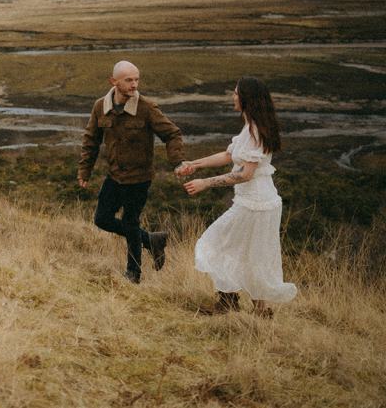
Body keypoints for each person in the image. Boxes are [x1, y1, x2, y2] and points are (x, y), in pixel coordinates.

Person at [178, 76, 297, 317]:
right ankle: (259, 312)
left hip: (256, 203)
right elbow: (228, 155)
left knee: (214, 244)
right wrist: (195, 164)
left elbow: (245, 174)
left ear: (246, 98)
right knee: (252, 256)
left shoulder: (255, 131)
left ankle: (229, 303)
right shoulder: (250, 127)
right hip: (259, 202)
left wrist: (205, 183)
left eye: (235, 93)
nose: (233, 97)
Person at [79, 60, 186, 283]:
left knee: (130, 222)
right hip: (114, 175)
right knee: (102, 219)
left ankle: (133, 273)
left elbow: (172, 134)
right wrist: (84, 171)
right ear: (113, 81)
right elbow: (91, 140)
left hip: (139, 178)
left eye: (137, 79)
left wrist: (177, 162)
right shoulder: (100, 106)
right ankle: (151, 240)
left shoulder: (146, 108)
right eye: (129, 80)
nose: (134, 84)